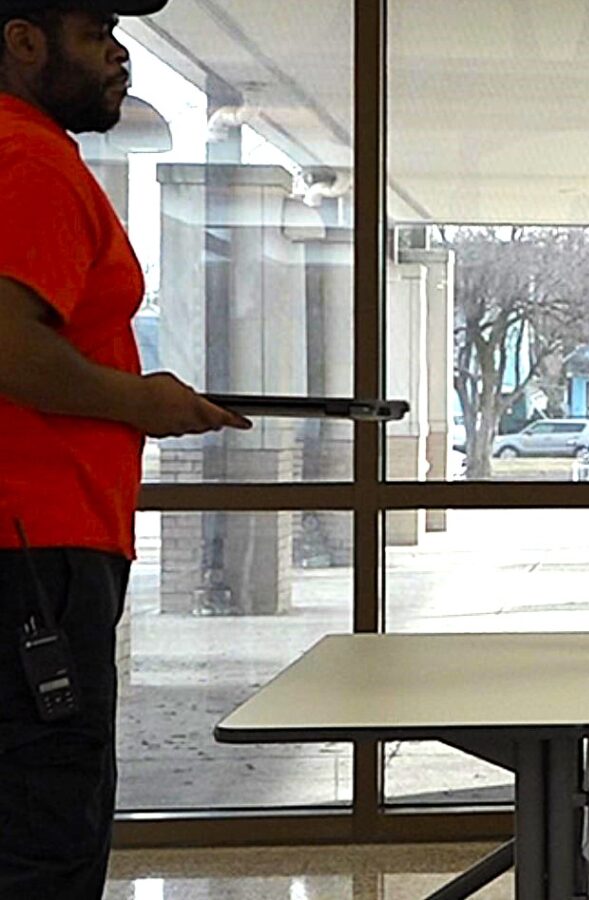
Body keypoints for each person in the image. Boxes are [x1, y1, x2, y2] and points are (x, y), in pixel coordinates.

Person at [0, 2, 250, 896]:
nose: (119, 55)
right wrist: (141, 403)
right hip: (35, 554)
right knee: (44, 834)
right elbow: (12, 349)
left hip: (35, 546)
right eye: (94, 32)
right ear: (22, 41)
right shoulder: (27, 159)